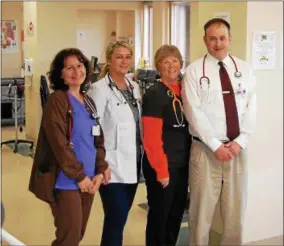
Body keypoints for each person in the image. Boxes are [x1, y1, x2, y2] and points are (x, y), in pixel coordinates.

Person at [182, 18, 257, 245]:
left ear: (229, 39)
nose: (217, 43)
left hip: (237, 150)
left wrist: (240, 141)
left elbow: (251, 107)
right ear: (205, 40)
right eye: (212, 38)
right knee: (201, 213)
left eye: (222, 38)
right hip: (205, 150)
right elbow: (193, 112)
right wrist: (215, 145)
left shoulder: (244, 69)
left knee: (235, 213)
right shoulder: (195, 71)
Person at [29, 48, 110, 246]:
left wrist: (100, 169)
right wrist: (79, 176)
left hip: (89, 179)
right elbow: (59, 144)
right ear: (61, 75)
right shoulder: (57, 100)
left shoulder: (88, 101)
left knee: (78, 233)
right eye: (69, 67)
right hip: (67, 180)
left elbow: (97, 140)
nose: (76, 71)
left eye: (80, 65)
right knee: (69, 236)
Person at [87, 41, 142, 246]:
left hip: (133, 164)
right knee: (115, 219)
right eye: (119, 56)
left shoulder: (134, 86)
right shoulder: (99, 89)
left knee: (120, 218)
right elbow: (93, 128)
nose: (124, 61)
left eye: (128, 56)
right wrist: (101, 164)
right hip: (110, 166)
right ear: (109, 60)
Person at [142, 44, 192, 246]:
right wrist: (161, 170)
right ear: (158, 66)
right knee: (160, 217)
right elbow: (151, 138)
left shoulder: (186, 90)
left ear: (181, 63)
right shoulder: (155, 94)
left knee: (176, 215)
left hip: (182, 164)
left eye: (175, 60)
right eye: (165, 61)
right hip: (162, 165)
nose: (171, 65)